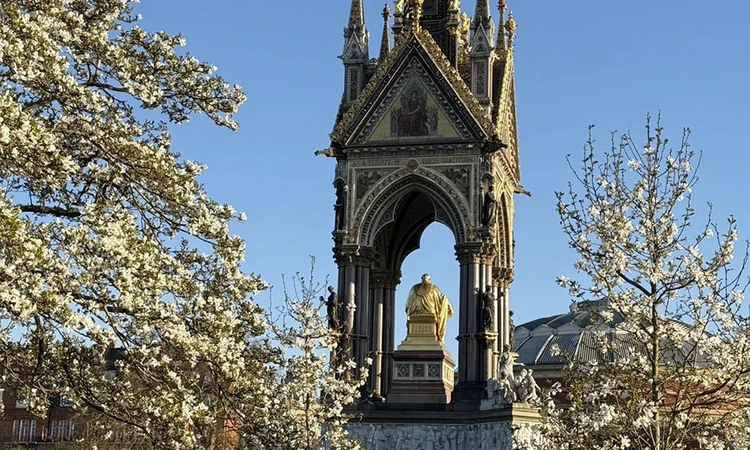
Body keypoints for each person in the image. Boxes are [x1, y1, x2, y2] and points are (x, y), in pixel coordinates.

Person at [405, 273, 453, 343]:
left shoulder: (413, 288)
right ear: (429, 279)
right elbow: (442, 300)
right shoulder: (434, 288)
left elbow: (407, 306)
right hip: (431, 315)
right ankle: (437, 335)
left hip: (414, 316)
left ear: (422, 278)